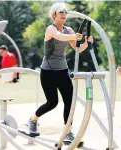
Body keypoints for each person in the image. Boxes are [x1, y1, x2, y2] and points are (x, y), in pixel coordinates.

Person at [27, 2, 94, 144]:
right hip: (48, 71)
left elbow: (77, 49)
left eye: (65, 12)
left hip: (63, 70)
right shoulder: (51, 29)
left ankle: (68, 133)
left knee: (69, 101)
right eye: (60, 12)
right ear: (54, 15)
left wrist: (86, 44)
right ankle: (33, 120)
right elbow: (59, 37)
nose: (64, 14)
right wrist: (74, 37)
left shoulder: (68, 30)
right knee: (52, 102)